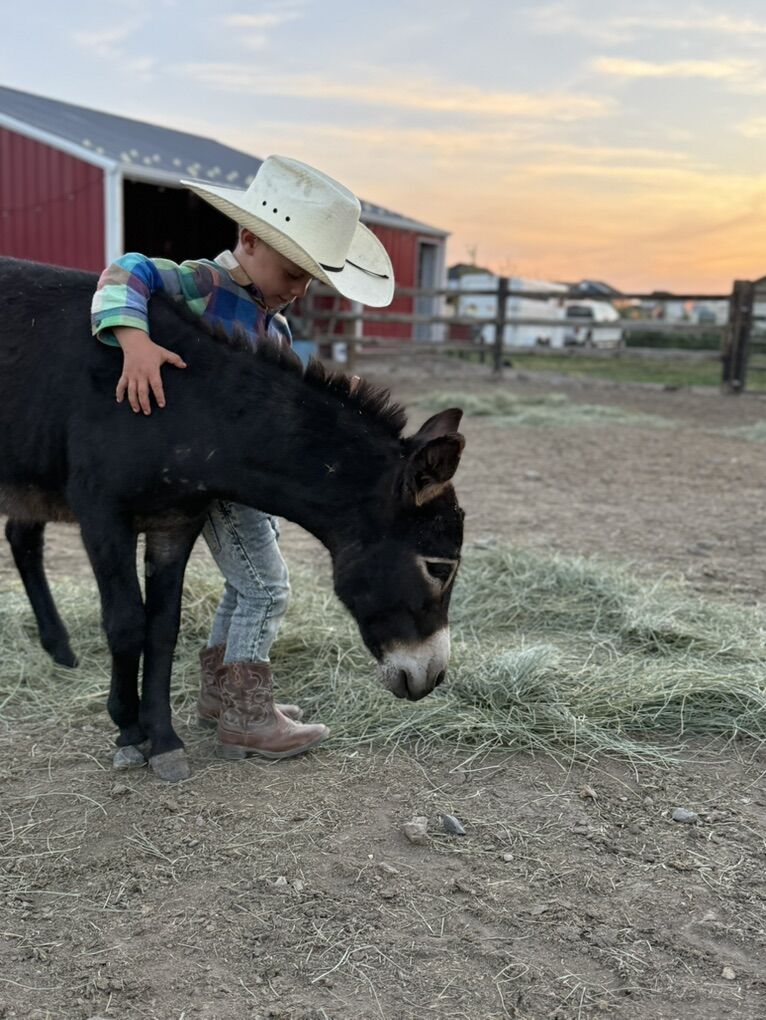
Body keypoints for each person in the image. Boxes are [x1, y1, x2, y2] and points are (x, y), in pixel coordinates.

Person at [90, 154, 395, 760]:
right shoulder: (204, 284)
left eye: (311, 280)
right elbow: (125, 270)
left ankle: (221, 695)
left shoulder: (274, 329)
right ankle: (248, 720)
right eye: (293, 272)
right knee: (267, 589)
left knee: (242, 586)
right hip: (217, 475)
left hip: (248, 478)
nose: (299, 290)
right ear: (249, 239)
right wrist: (134, 340)